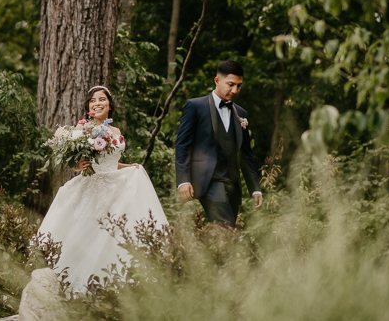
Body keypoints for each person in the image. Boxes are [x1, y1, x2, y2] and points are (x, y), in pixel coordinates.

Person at [38, 85, 168, 295]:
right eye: (92, 100)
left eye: (102, 99)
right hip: (92, 187)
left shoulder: (116, 132)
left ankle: (118, 286)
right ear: (88, 107)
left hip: (117, 187)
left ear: (110, 105)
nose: (97, 103)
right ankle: (77, 287)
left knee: (119, 233)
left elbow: (111, 162)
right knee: (89, 234)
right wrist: (77, 166)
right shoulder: (81, 131)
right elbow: (75, 163)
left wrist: (131, 167)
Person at [175, 60, 262, 227]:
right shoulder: (195, 106)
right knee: (226, 228)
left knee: (223, 235)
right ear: (217, 81)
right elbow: (182, 146)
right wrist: (183, 180)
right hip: (209, 181)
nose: (235, 90)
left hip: (233, 186)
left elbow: (246, 155)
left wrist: (255, 188)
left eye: (239, 85)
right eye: (231, 84)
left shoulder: (241, 113)